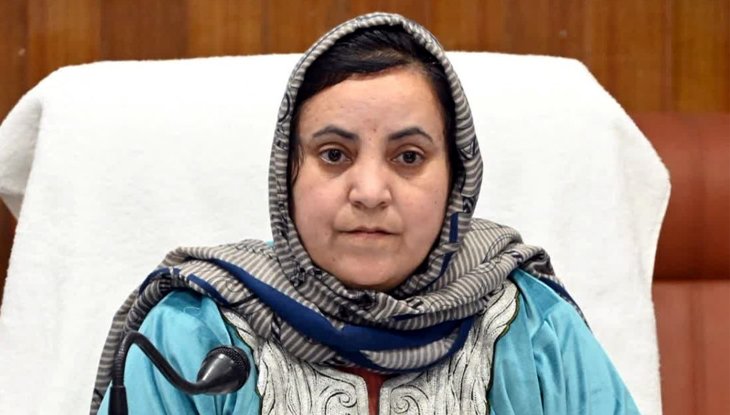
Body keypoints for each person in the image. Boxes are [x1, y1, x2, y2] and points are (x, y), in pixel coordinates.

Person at [91, 12, 640, 415]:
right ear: (287, 175)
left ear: (456, 181)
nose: (371, 191)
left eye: (409, 157)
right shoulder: (192, 332)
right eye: (334, 155)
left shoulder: (534, 325)